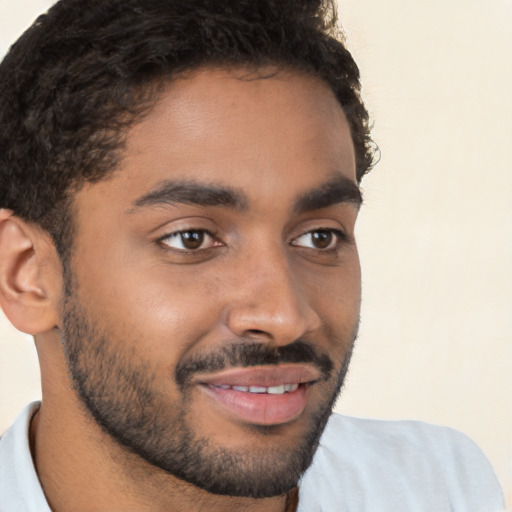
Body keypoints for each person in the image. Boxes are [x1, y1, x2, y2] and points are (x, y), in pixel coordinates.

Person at [0, 0, 504, 510]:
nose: (285, 317)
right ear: (25, 274)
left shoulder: (439, 486)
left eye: (320, 237)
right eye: (191, 238)